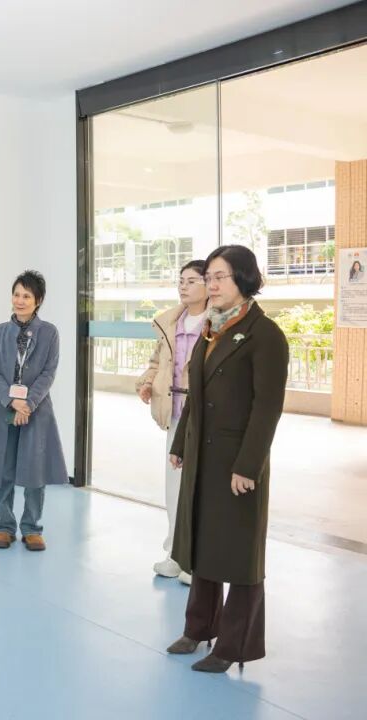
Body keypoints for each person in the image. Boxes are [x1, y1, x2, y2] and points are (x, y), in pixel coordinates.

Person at [165, 245, 288, 673]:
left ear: (244, 280)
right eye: (209, 277)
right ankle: (198, 628)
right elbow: (194, 395)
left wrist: (248, 466)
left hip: (237, 463)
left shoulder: (265, 335)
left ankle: (234, 646)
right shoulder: (211, 328)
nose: (211, 285)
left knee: (239, 555)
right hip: (203, 455)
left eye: (220, 277)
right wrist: (180, 442)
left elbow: (267, 408)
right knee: (204, 544)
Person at [0, 270, 69, 551]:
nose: (20, 300)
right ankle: (4, 526)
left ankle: (32, 528)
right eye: (16, 294)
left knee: (34, 469)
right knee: (2, 468)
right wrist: (11, 400)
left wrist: (27, 404)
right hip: (2, 407)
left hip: (36, 410)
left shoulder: (49, 332)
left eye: (26, 296)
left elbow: (49, 372)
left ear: (38, 300)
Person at [136, 260, 207, 585]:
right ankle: (175, 555)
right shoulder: (171, 322)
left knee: (199, 489)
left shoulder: (215, 322)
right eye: (181, 280)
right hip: (175, 415)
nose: (183, 286)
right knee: (174, 489)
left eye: (192, 280)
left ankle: (196, 562)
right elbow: (157, 362)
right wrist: (147, 382)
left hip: (204, 417)